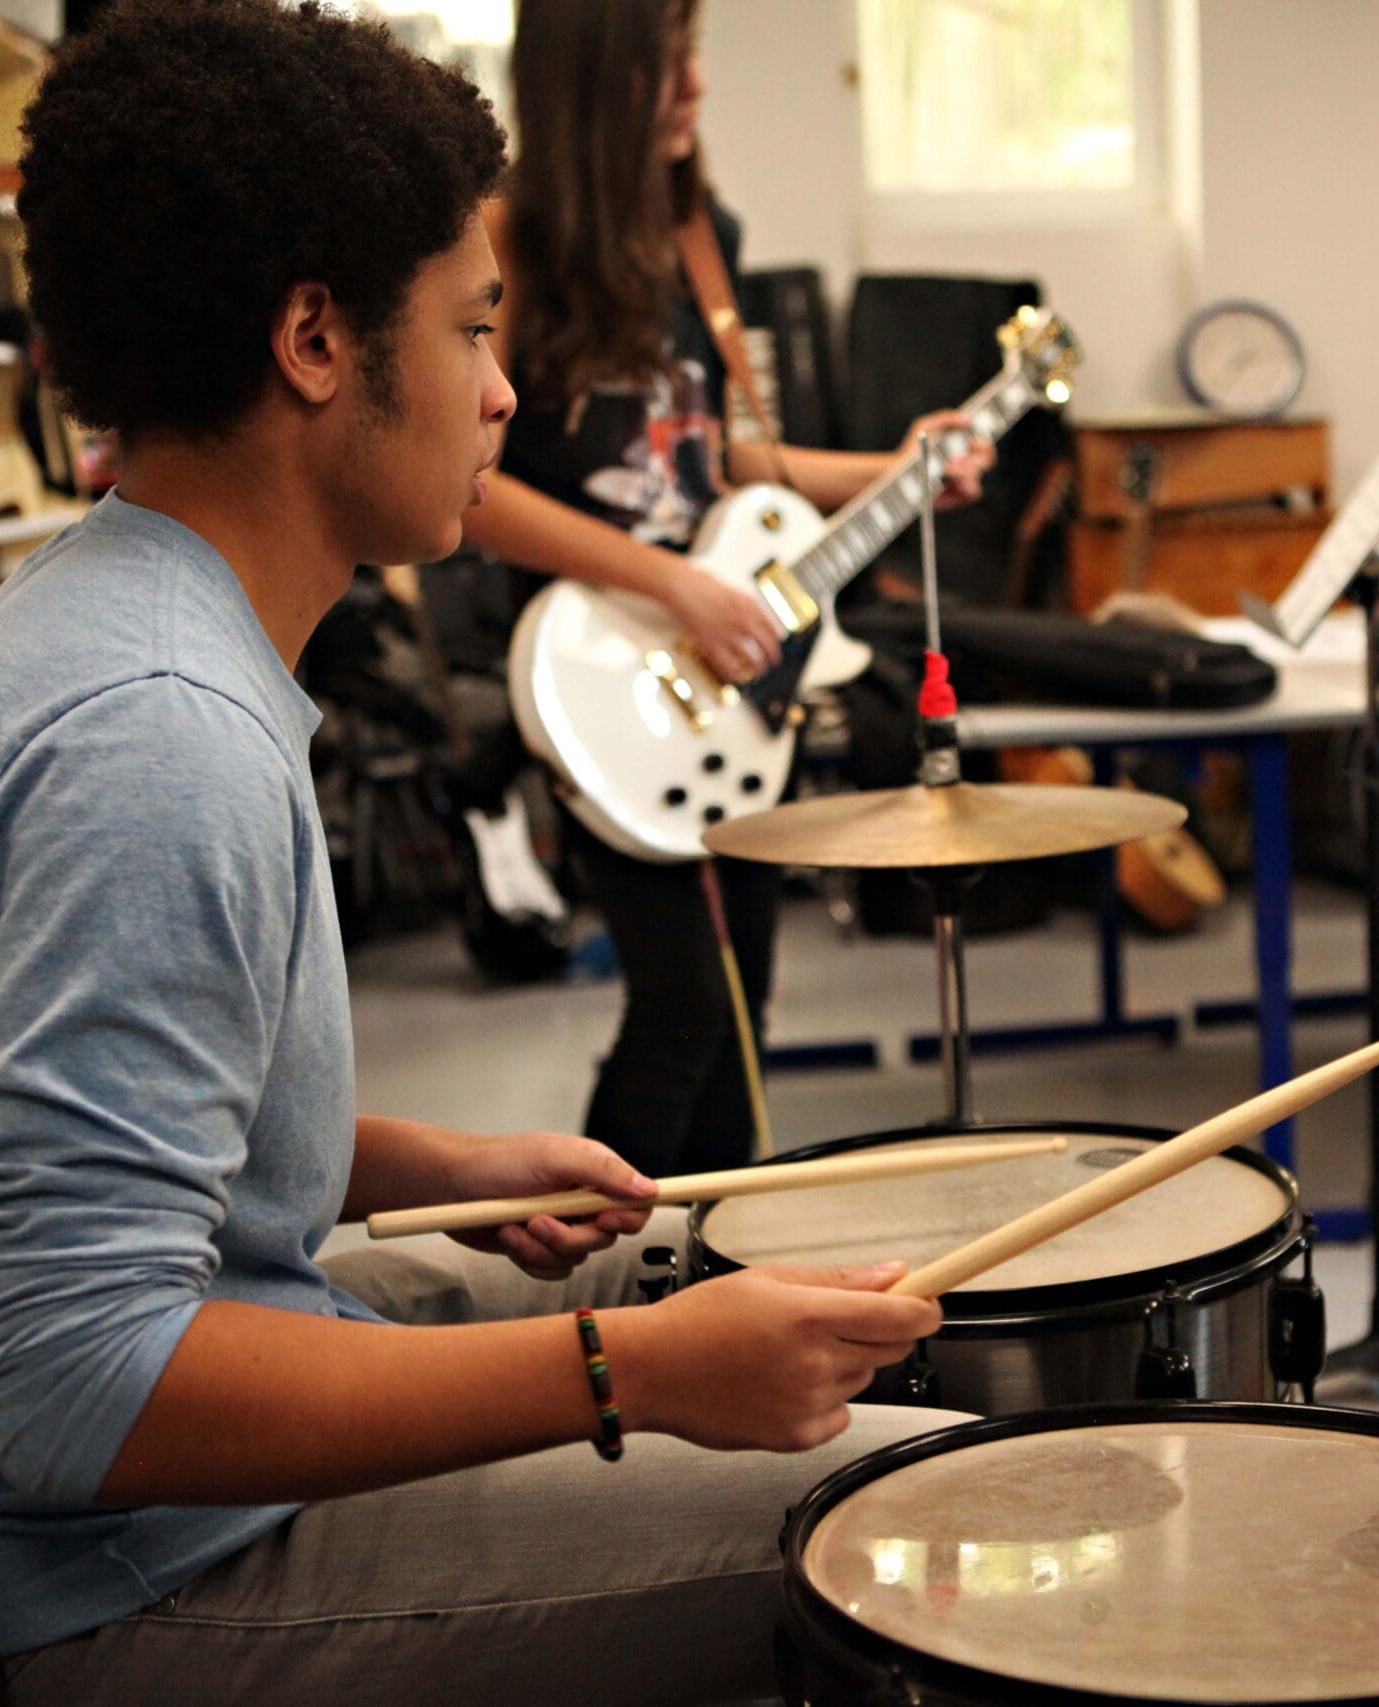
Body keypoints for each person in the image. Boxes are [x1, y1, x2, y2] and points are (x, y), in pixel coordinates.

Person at [0, 4, 950, 1701]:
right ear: (317, 342)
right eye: (474, 328)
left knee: (705, 1251)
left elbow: (97, 1129)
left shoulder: (112, 609)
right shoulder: (153, 735)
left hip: (84, 1501)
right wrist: (623, 1371)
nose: (503, 391)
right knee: (915, 1505)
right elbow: (81, 1383)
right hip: (109, 1590)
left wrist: (435, 1164)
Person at [461, 0, 993, 1177]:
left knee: (742, 1004)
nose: (695, 86)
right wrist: (671, 585)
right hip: (598, 669)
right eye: (664, 62)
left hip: (723, 673)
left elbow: (721, 459)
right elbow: (467, 486)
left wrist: (898, 472)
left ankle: (707, 1274)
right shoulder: (504, 246)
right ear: (592, 78)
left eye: (694, 55)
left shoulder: (701, 234)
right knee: (684, 1006)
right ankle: (583, 1286)